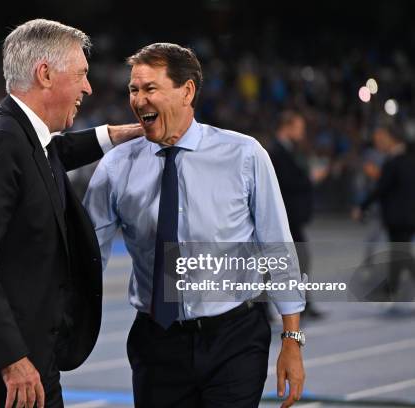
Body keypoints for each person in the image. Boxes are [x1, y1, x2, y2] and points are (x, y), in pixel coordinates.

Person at [0, 19, 141, 408]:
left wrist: (114, 135)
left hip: (29, 358)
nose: (88, 87)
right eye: (82, 73)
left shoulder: (23, 133)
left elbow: (55, 153)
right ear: (45, 74)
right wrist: (11, 359)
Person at [84, 43, 306, 408]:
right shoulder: (115, 167)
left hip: (234, 338)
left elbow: (277, 249)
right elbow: (87, 257)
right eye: (133, 90)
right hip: (157, 344)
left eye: (150, 89)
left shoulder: (244, 155)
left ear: (186, 91)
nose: (139, 100)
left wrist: (292, 341)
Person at [268, 111, 326, 319]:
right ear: (287, 126)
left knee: (296, 260)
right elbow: (286, 182)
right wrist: (310, 178)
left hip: (291, 218)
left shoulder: (289, 150)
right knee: (278, 262)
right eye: (298, 127)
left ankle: (302, 303)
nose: (301, 133)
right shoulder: (276, 151)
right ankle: (266, 307)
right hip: (283, 217)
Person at [353, 125, 415, 302]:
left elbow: (381, 188)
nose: (378, 143)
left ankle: (390, 289)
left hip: (399, 217)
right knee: (400, 253)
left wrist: (362, 206)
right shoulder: (409, 160)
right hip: (408, 216)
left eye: (382, 138)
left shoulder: (394, 162)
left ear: (392, 138)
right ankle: (391, 288)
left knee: (401, 254)